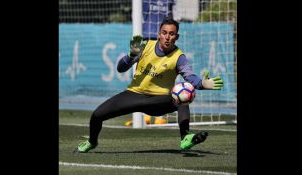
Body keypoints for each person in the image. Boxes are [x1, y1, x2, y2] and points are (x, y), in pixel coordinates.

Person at [76, 17, 224, 153]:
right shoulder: (144, 47)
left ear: (176, 37)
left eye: (171, 34)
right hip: (133, 94)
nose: (167, 37)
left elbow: (191, 78)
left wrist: (203, 84)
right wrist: (131, 56)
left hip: (158, 100)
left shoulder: (179, 57)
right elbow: (120, 68)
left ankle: (185, 137)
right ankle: (92, 141)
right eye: (164, 33)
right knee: (96, 116)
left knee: (182, 99)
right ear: (159, 34)